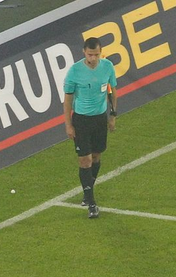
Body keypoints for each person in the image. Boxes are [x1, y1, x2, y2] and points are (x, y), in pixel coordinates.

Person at [63, 36, 117, 220]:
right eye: (89, 55)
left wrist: (112, 115)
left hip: (100, 119)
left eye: (96, 55)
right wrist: (68, 125)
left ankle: (87, 191)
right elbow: (68, 100)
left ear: (100, 53)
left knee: (96, 157)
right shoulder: (75, 71)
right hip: (81, 121)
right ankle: (92, 203)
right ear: (84, 53)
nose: (93, 58)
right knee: (84, 160)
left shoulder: (107, 67)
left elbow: (112, 90)